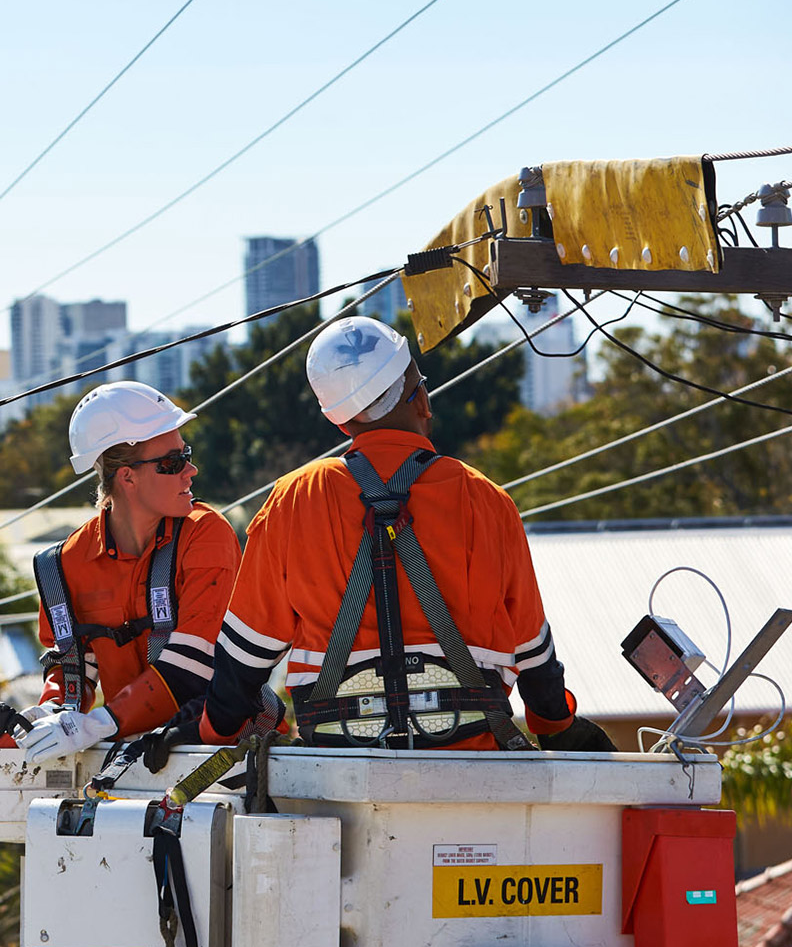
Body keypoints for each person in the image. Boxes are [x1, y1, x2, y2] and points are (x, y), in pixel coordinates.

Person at [199, 315, 614, 752]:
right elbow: (532, 653)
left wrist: (208, 734)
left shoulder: (295, 498)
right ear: (422, 401)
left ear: (340, 423)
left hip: (337, 770)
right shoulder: (486, 499)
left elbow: (243, 660)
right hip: (471, 767)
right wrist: (556, 726)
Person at [19, 381, 241, 764]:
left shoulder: (206, 535)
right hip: (132, 759)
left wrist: (97, 725)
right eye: (172, 462)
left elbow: (191, 667)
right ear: (127, 477)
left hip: (220, 755)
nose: (191, 470)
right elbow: (72, 666)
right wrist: (53, 712)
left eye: (185, 455)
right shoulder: (67, 563)